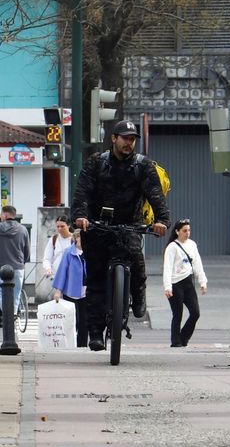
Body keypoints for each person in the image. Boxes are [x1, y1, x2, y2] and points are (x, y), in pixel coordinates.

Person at [69, 118, 170, 351]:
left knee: (135, 259)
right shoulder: (96, 162)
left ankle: (139, 295)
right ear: (114, 139)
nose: (129, 143)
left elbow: (155, 195)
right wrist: (81, 216)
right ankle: (95, 333)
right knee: (94, 280)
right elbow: (82, 192)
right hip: (97, 226)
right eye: (125, 138)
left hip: (130, 224)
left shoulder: (143, 166)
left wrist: (162, 221)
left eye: (133, 139)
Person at [161, 218, 208, 347]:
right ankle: (175, 341)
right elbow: (167, 268)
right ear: (177, 232)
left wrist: (202, 282)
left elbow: (197, 264)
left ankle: (184, 337)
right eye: (184, 230)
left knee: (195, 313)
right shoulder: (172, 247)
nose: (187, 233)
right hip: (175, 284)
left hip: (188, 282)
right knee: (178, 314)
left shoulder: (192, 244)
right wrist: (167, 287)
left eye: (189, 230)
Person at [0, 204, 29, 326]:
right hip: (18, 266)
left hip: (2, 266)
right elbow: (27, 250)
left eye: (1, 214)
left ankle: (5, 313)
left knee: (0, 291)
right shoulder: (23, 229)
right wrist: (23, 261)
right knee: (16, 292)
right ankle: (13, 314)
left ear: (5, 215)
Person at [51, 229, 88, 347]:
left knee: (84, 321)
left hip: (86, 292)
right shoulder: (69, 252)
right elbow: (62, 272)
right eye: (81, 237)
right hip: (71, 291)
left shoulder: (90, 253)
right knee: (73, 320)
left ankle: (82, 345)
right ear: (76, 238)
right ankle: (70, 344)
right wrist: (58, 290)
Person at [39, 220, 72, 299]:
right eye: (58, 227)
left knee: (69, 301)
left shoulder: (74, 239)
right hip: (56, 275)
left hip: (70, 275)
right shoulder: (54, 239)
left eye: (62, 226)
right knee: (58, 300)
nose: (60, 229)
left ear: (68, 226)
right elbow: (47, 258)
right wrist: (48, 268)